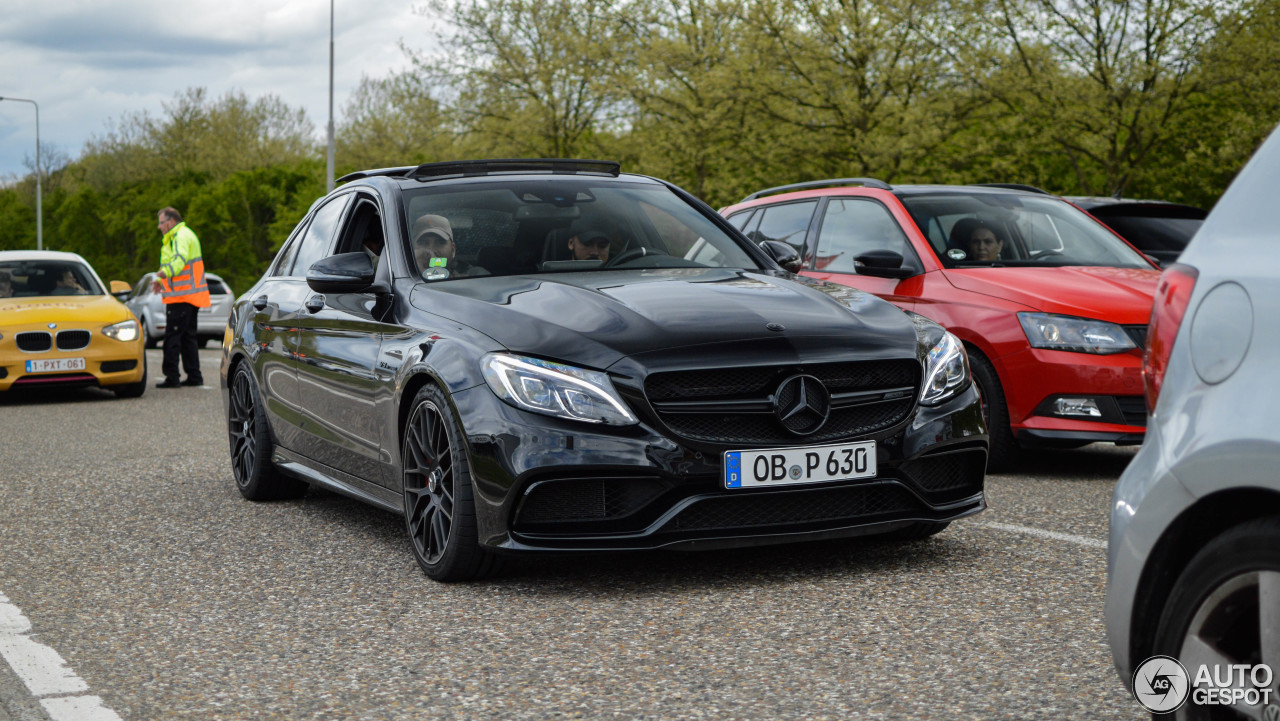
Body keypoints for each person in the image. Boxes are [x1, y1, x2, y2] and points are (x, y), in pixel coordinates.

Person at [151, 207, 210, 388]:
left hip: (181, 297)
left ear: (170, 222)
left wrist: (164, 273)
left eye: (161, 223)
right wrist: (163, 281)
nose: (159, 227)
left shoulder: (179, 236)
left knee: (172, 337)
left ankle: (172, 377)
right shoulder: (187, 234)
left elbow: (179, 258)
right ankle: (194, 376)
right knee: (188, 337)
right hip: (190, 296)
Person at [410, 214, 485, 277]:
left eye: (439, 242)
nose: (431, 250)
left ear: (453, 250)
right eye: (423, 243)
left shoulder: (474, 275)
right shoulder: (404, 275)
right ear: (412, 250)